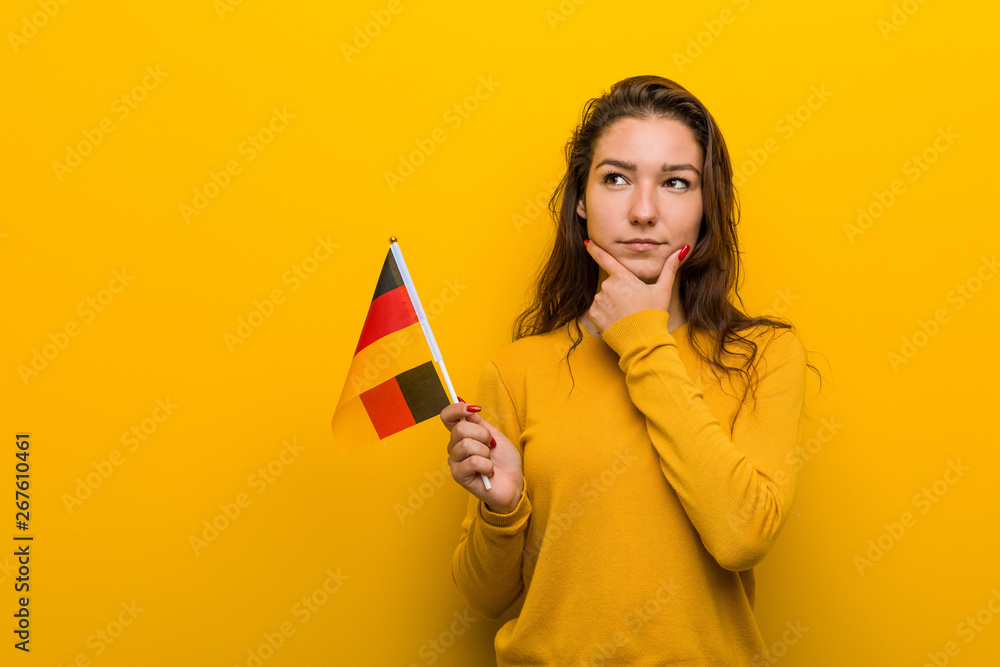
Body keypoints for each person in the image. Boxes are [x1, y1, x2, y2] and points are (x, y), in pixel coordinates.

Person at [440, 74, 820, 665]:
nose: (644, 211)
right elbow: (483, 596)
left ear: (705, 207)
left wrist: (640, 339)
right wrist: (503, 507)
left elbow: (742, 536)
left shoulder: (765, 356)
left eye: (675, 182)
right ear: (581, 203)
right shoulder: (515, 370)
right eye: (616, 178)